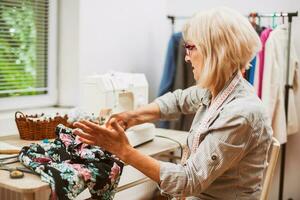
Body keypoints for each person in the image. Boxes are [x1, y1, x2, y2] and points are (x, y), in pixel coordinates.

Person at [73, 7, 273, 199]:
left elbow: (188, 180)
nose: (186, 57)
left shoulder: (241, 113)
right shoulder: (217, 90)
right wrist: (131, 116)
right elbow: (177, 101)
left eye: (190, 48)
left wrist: (123, 150)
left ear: (214, 51)